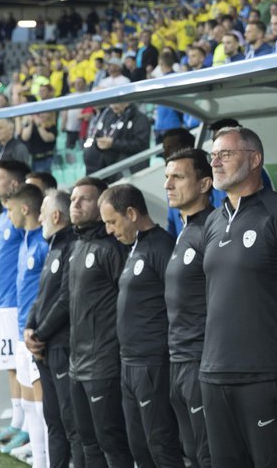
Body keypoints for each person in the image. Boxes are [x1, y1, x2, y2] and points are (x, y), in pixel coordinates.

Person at [200, 127, 277, 468]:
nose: (216, 162)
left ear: (254, 159)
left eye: (226, 154)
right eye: (213, 156)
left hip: (267, 376)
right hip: (214, 374)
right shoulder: (213, 222)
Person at [99, 184, 182, 468]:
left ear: (131, 213)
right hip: (129, 364)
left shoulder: (161, 246)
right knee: (139, 447)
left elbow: (177, 306)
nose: (109, 230)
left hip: (152, 364)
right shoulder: (134, 248)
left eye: (112, 221)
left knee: (161, 445)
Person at [66, 176, 134, 467]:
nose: (76, 205)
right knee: (87, 441)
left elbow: (129, 301)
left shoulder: (113, 248)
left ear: (102, 204)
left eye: (84, 199)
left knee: (111, 442)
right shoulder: (77, 246)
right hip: (76, 364)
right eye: (72, 199)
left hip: (103, 364)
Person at [163, 148, 214, 468]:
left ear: (205, 183)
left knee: (208, 454)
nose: (168, 184)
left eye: (178, 177)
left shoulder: (213, 228)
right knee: (191, 454)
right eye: (166, 177)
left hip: (201, 360)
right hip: (178, 358)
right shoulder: (184, 230)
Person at [24, 189, 80, 468]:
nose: (40, 217)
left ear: (56, 215)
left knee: (71, 424)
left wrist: (40, 335)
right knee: (54, 422)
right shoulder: (53, 247)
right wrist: (29, 328)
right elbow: (41, 296)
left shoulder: (71, 246)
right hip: (44, 348)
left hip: (60, 347)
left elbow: (66, 299)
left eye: (43, 212)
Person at [0, 160, 30, 452]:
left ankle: (26, 426)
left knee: (20, 366)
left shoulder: (19, 218)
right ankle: (17, 421)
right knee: (9, 365)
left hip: (16, 304)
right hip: (2, 304)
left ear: (14, 184)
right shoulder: (4, 214)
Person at [7, 183, 51, 467]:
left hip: (37, 334)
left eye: (10, 210)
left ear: (25, 209)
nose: (7, 215)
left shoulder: (43, 244)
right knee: (30, 405)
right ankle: (38, 458)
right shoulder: (24, 239)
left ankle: (48, 460)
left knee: (43, 405)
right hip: (22, 330)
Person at [83, 102, 151, 178]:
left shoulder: (140, 119)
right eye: (111, 103)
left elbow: (140, 144)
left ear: (127, 102)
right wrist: (99, 143)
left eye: (116, 103)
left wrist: (113, 143)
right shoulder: (110, 116)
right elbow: (99, 134)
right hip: (109, 166)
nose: (113, 106)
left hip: (131, 167)